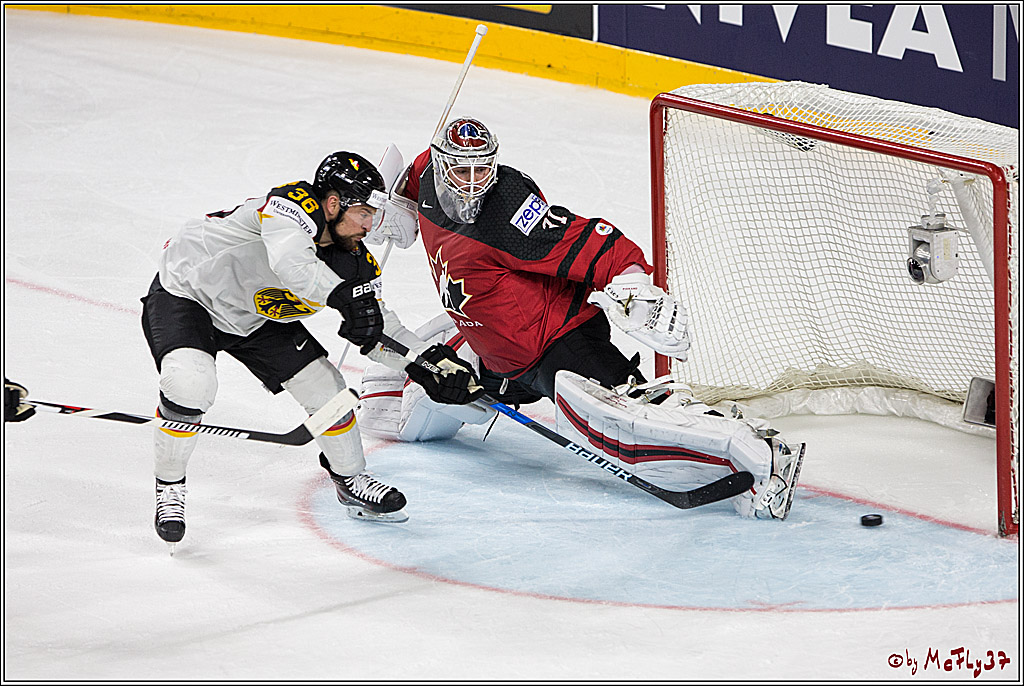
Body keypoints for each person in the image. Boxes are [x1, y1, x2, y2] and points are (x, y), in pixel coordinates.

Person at [357, 118, 805, 520]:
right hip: (496, 353)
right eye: (461, 170)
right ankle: (412, 378)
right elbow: (404, 183)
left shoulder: (506, 212)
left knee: (620, 425)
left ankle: (753, 453)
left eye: (481, 169)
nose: (472, 182)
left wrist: (632, 283)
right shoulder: (426, 179)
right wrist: (390, 208)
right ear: (439, 165)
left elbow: (586, 239)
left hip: (557, 340)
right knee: (414, 416)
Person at [141, 151, 482, 547]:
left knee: (330, 394)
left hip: (254, 318)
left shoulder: (353, 260)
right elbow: (292, 264)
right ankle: (169, 487)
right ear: (333, 203)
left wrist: (427, 364)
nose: (369, 226)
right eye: (363, 214)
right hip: (188, 294)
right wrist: (343, 296)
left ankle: (350, 478)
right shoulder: (292, 205)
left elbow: (378, 328)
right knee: (190, 385)